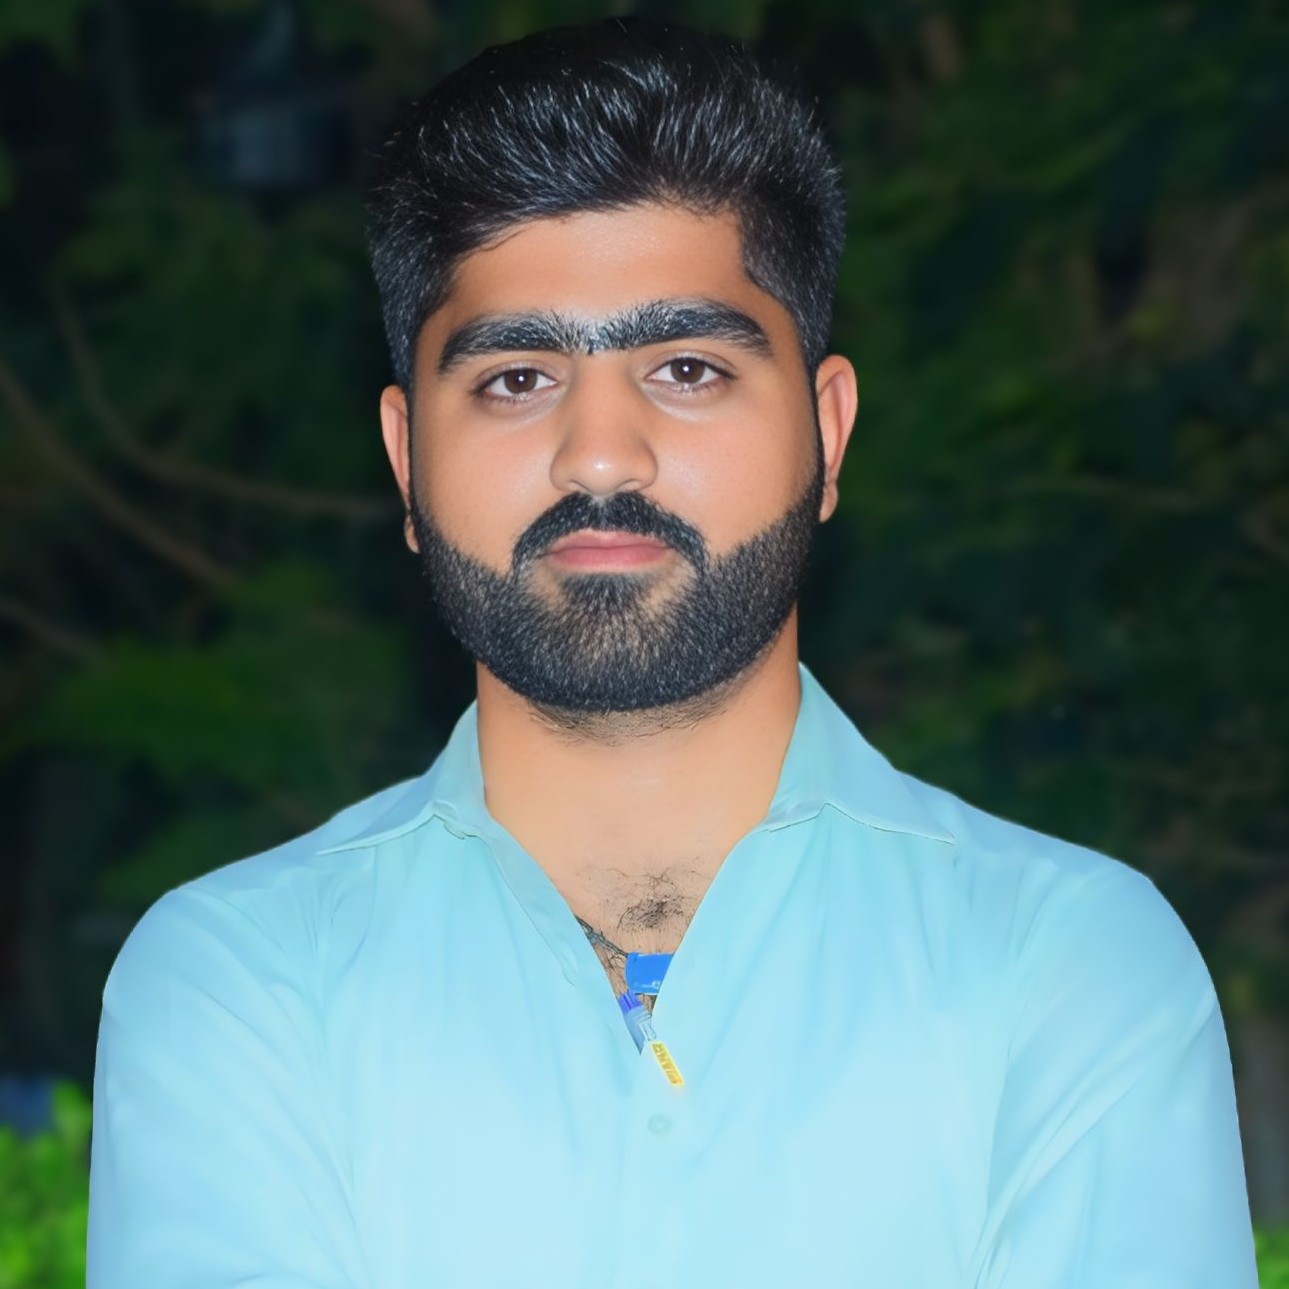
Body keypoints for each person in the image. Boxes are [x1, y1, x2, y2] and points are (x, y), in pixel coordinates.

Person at [86, 18, 1258, 1289]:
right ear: (405, 456)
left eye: (686, 367)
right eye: (516, 378)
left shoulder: (1067, 964)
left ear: (826, 432)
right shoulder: (241, 978)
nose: (600, 453)